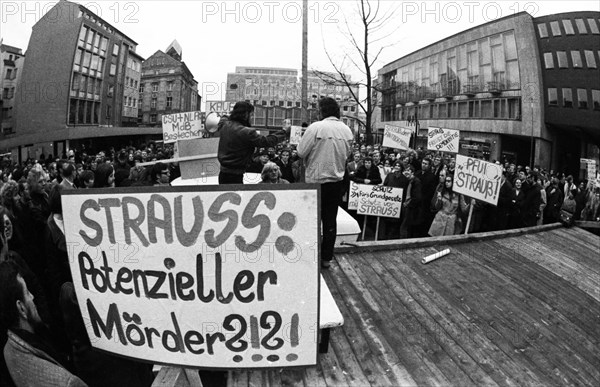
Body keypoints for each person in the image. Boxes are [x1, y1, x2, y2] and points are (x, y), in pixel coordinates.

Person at [0, 261, 86, 387]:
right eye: (27, 292)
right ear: (21, 308)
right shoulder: (67, 382)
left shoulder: (8, 349)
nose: (33, 296)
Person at [297, 97, 353, 268]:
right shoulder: (347, 131)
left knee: (311, 221)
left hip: (315, 182)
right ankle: (326, 258)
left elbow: (300, 151)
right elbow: (347, 155)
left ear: (322, 111)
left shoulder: (315, 128)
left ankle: (310, 256)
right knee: (330, 222)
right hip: (336, 181)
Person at [217, 101, 289, 184]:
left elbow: (224, 117)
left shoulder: (224, 124)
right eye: (251, 115)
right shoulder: (246, 132)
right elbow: (266, 141)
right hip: (235, 176)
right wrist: (284, 131)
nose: (251, 118)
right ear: (245, 115)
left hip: (222, 174)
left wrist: (234, 115)